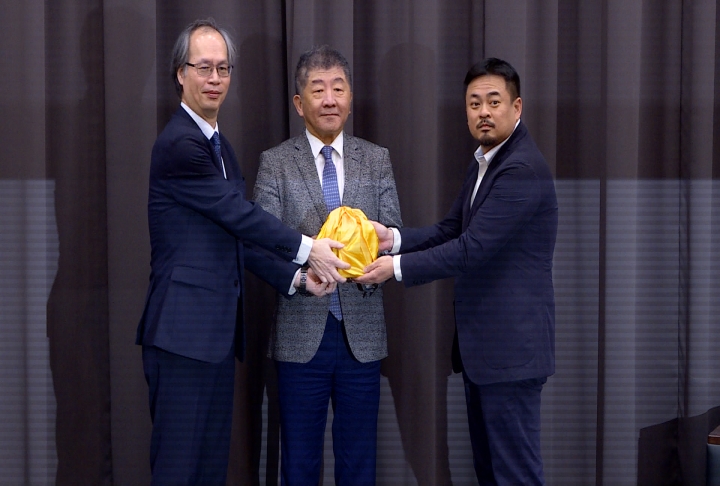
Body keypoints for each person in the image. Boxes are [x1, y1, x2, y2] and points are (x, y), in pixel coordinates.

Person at [135, 20, 349, 485]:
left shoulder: (221, 147)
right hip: (181, 335)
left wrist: (295, 278)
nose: (215, 78)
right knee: (178, 470)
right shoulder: (180, 144)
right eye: (204, 68)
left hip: (213, 337)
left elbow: (234, 237)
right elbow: (241, 216)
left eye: (223, 68)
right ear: (180, 74)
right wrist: (309, 249)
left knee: (210, 469)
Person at [357, 57, 558, 485]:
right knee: (491, 474)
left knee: (515, 476)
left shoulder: (520, 169)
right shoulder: (485, 160)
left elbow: (472, 248)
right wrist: (393, 239)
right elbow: (452, 229)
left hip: (510, 356)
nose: (483, 112)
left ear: (517, 107)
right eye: (474, 103)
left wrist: (394, 268)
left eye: (494, 102)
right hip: (485, 354)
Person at [253, 45, 402, 485]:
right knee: (299, 464)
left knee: (359, 464)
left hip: (362, 333)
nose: (330, 99)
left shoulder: (376, 158)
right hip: (301, 334)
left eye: (338, 88)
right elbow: (260, 244)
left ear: (351, 97)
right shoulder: (275, 163)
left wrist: (376, 261)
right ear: (300, 103)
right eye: (318, 90)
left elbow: (393, 231)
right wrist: (301, 277)